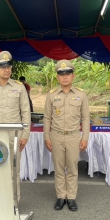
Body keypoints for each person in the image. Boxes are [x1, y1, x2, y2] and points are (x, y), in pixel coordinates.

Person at [0, 51, 31, 201]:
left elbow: (26, 113)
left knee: (13, 171)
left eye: (9, 66)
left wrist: (25, 135)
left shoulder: (19, 87)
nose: (7, 70)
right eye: (2, 67)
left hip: (14, 135)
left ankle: (14, 204)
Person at [43, 60, 90, 211]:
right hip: (56, 136)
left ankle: (71, 197)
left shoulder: (81, 95)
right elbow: (47, 118)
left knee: (72, 168)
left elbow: (86, 118)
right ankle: (60, 196)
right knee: (58, 168)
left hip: (73, 136)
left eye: (67, 74)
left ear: (73, 76)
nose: (64, 77)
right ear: (57, 77)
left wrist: (85, 138)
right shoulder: (51, 96)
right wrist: (46, 137)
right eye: (61, 74)